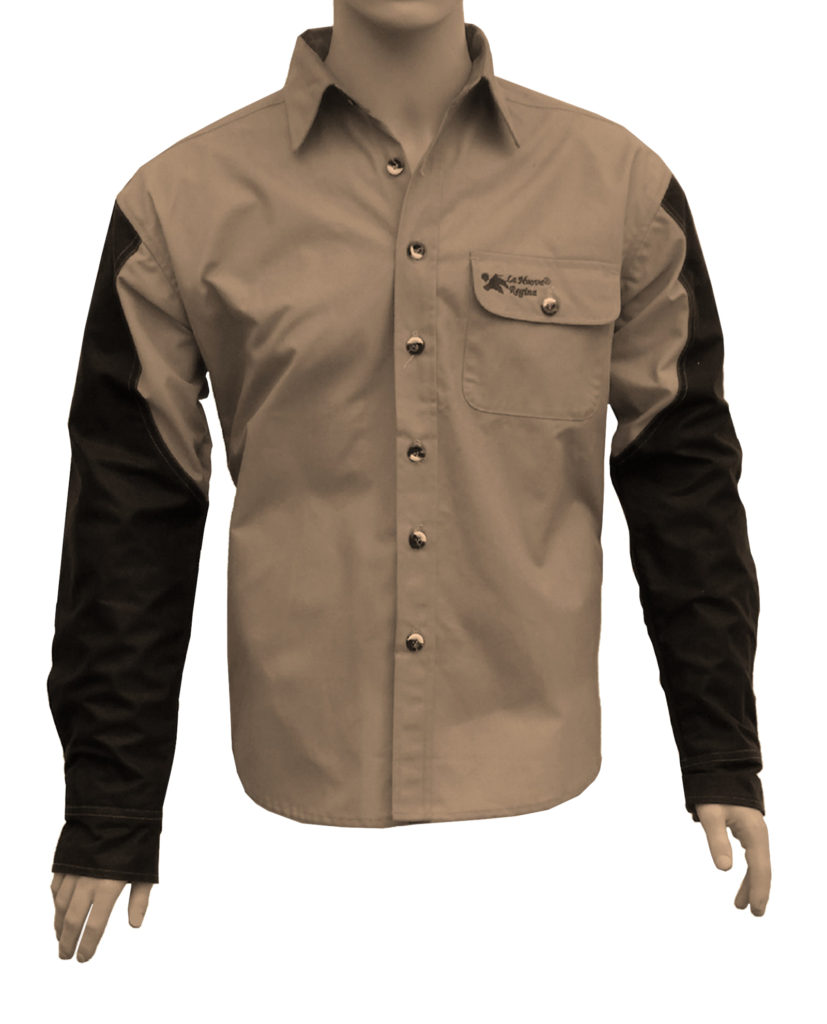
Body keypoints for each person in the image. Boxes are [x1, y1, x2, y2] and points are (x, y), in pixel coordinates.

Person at [48, 0, 771, 962]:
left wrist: (720, 751)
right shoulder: (177, 206)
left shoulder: (621, 191)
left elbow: (683, 482)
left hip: (569, 863)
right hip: (278, 862)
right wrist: (110, 805)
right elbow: (129, 517)